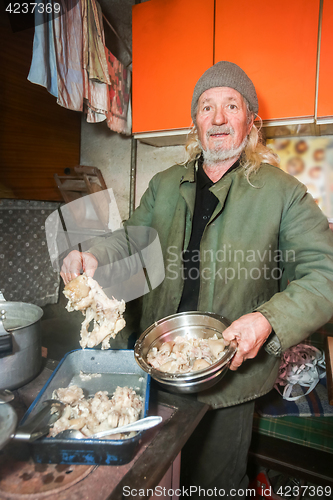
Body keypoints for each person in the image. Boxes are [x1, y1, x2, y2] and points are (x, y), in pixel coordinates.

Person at [61, 61, 333, 496]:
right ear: (196, 122)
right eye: (207, 107)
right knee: (155, 479)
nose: (219, 118)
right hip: (159, 362)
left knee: (215, 485)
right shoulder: (165, 184)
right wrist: (92, 256)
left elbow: (326, 274)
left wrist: (266, 321)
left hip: (231, 376)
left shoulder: (283, 192)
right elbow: (131, 238)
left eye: (231, 106)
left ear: (251, 121)